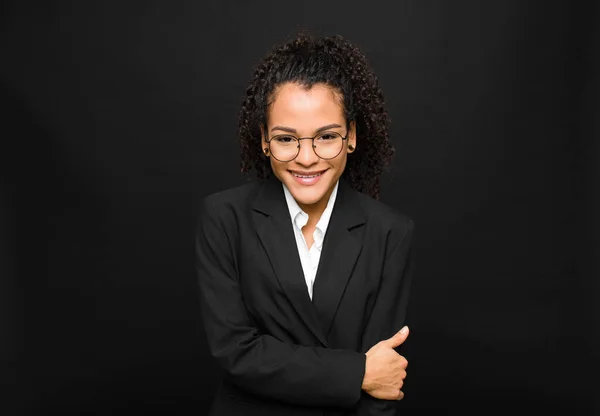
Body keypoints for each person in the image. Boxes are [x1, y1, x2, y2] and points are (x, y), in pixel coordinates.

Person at [195, 32, 415, 416]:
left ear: (352, 137)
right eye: (286, 139)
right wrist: (357, 371)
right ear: (264, 140)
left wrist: (369, 374)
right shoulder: (224, 217)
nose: (307, 158)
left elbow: (383, 380)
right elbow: (236, 351)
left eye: (326, 137)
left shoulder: (390, 232)